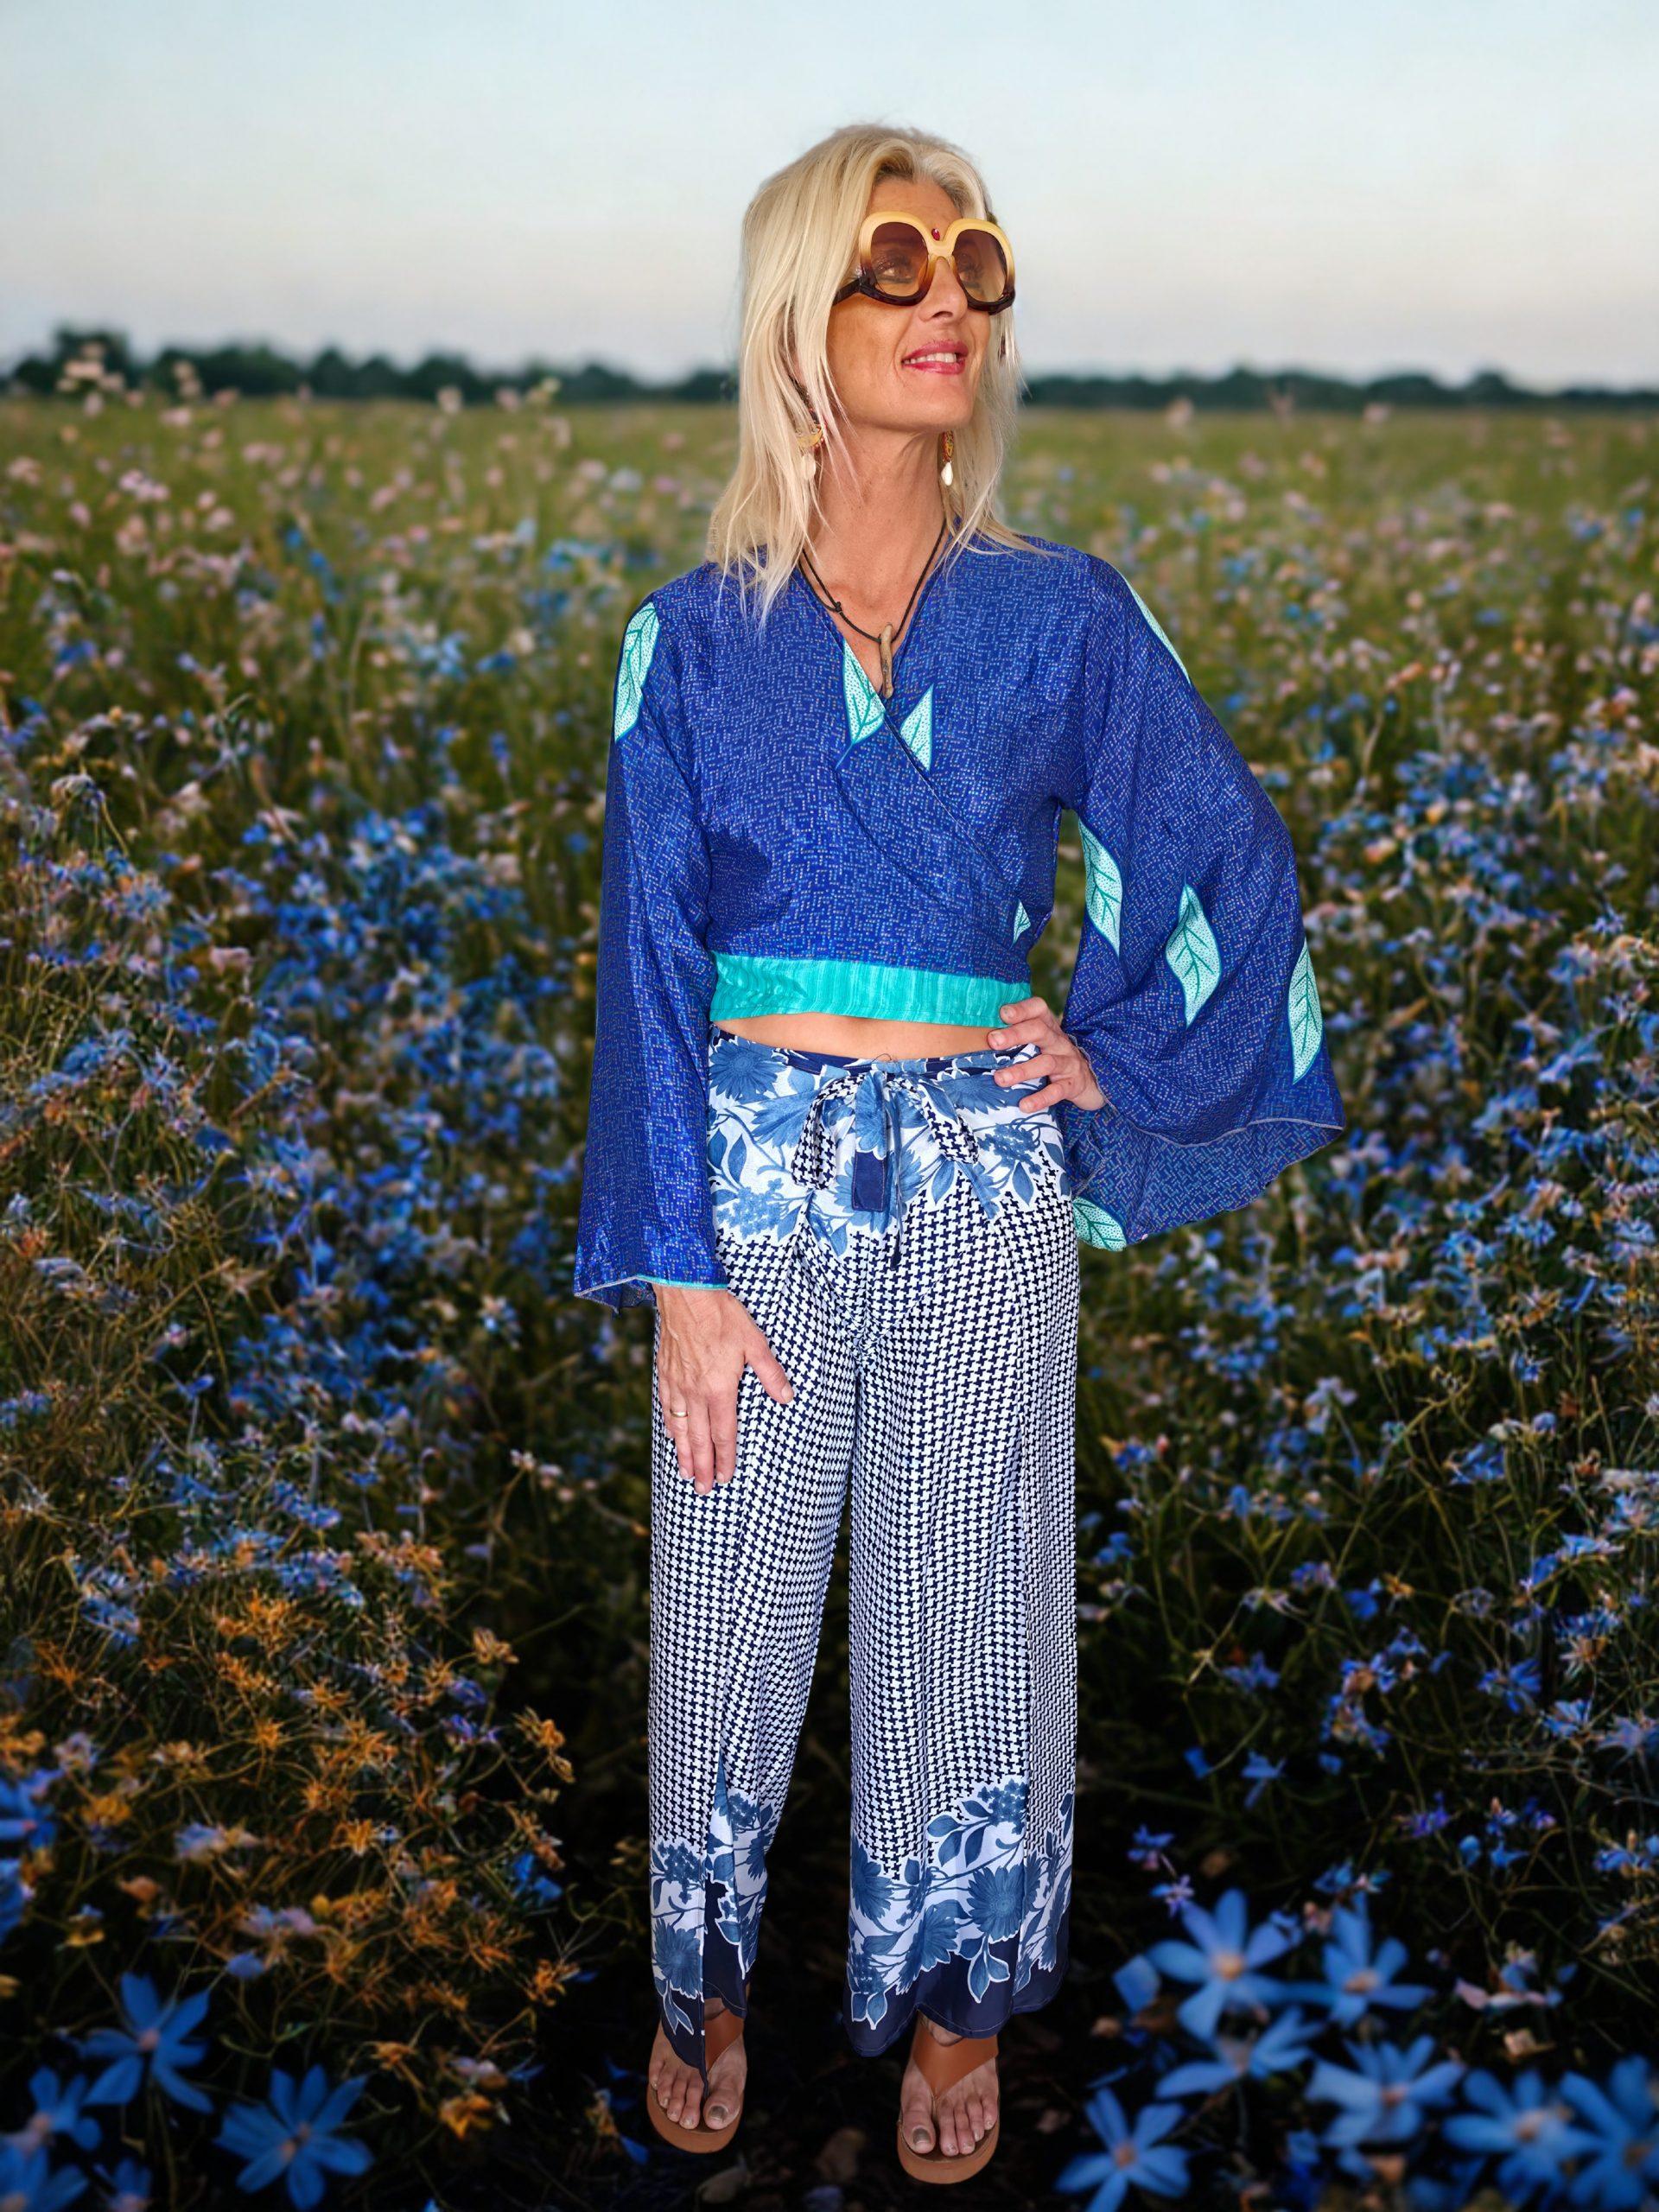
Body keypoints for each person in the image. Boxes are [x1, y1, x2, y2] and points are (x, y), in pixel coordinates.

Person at [571, 121, 1344, 2181]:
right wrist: (680, 1274)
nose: (949, 303)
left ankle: (956, 1997)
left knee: (972, 1605)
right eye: (894, 262)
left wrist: (1110, 1047)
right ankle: (706, 1977)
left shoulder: (1064, 614)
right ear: (796, 320)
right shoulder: (685, 636)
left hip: (987, 1171)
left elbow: (1227, 853)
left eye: (976, 266)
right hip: (753, 1178)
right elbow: (647, 966)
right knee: (728, 1601)